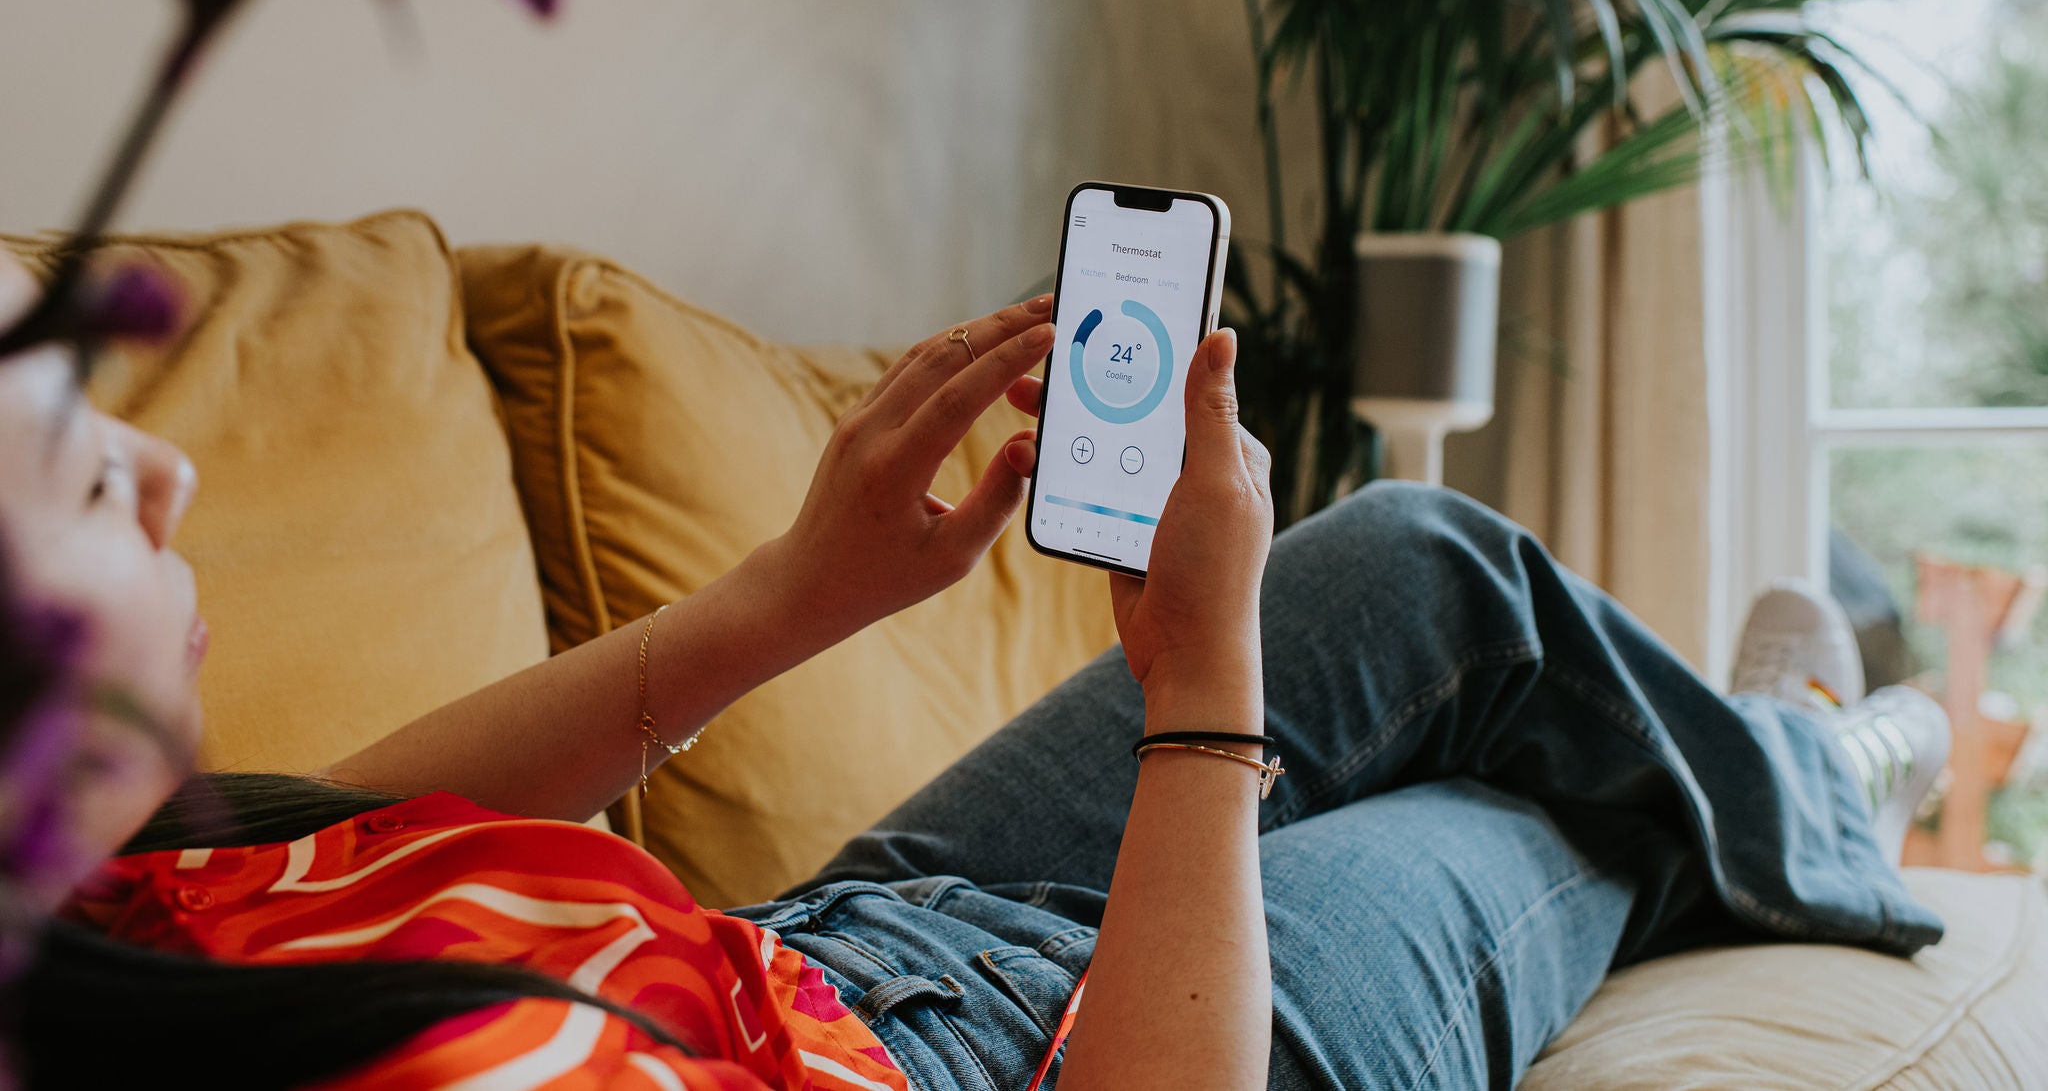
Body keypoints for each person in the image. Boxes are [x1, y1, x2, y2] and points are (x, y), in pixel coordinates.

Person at [0, 244, 1949, 1091]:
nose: (171, 466)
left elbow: (361, 830)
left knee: (1422, 555)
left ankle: (1784, 745)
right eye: (89, 463)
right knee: (1523, 809)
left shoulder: (84, 918)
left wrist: (792, 590)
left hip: (825, 948)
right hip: (1080, 1055)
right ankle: (1830, 754)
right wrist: (1202, 700)